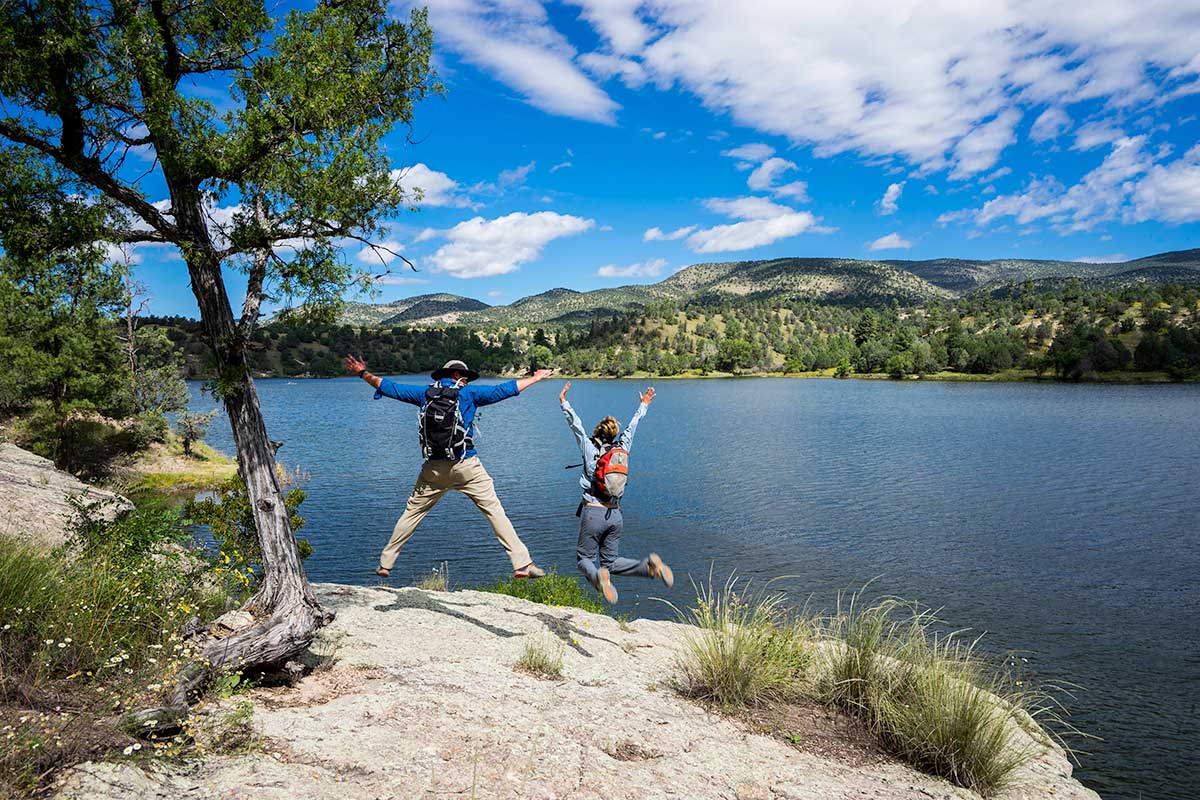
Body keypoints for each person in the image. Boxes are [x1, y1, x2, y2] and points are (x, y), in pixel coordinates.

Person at [344, 355, 554, 580]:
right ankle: (521, 563)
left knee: (412, 513)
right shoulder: (469, 394)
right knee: (494, 511)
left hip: (433, 469)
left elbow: (389, 387)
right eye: (464, 377)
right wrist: (536, 378)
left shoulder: (424, 394)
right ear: (455, 375)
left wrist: (361, 373)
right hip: (466, 465)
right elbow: (505, 389)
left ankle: (386, 563)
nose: (466, 381)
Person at [559, 381, 673, 604]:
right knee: (610, 562)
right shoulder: (622, 448)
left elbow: (577, 427)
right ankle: (649, 567)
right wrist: (644, 405)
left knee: (584, 559)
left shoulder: (590, 449)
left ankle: (599, 579)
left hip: (593, 513)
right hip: (616, 515)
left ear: (597, 433)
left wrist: (564, 402)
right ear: (613, 434)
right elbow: (632, 427)